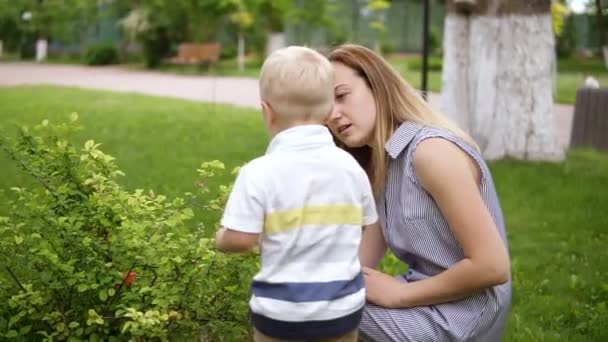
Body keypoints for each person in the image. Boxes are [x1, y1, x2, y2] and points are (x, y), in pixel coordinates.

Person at [325, 44, 512, 341]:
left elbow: (492, 266)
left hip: (464, 312)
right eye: (323, 105)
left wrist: (400, 294)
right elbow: (360, 264)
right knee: (300, 303)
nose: (333, 114)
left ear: (376, 86)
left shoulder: (430, 152)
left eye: (342, 95)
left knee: (319, 316)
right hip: (426, 298)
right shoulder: (382, 162)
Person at [214, 46, 378, 342]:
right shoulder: (351, 168)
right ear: (329, 112)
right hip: (342, 310)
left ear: (268, 111)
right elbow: (364, 223)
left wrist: (221, 238)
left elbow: (240, 239)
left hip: (281, 315)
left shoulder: (259, 172)